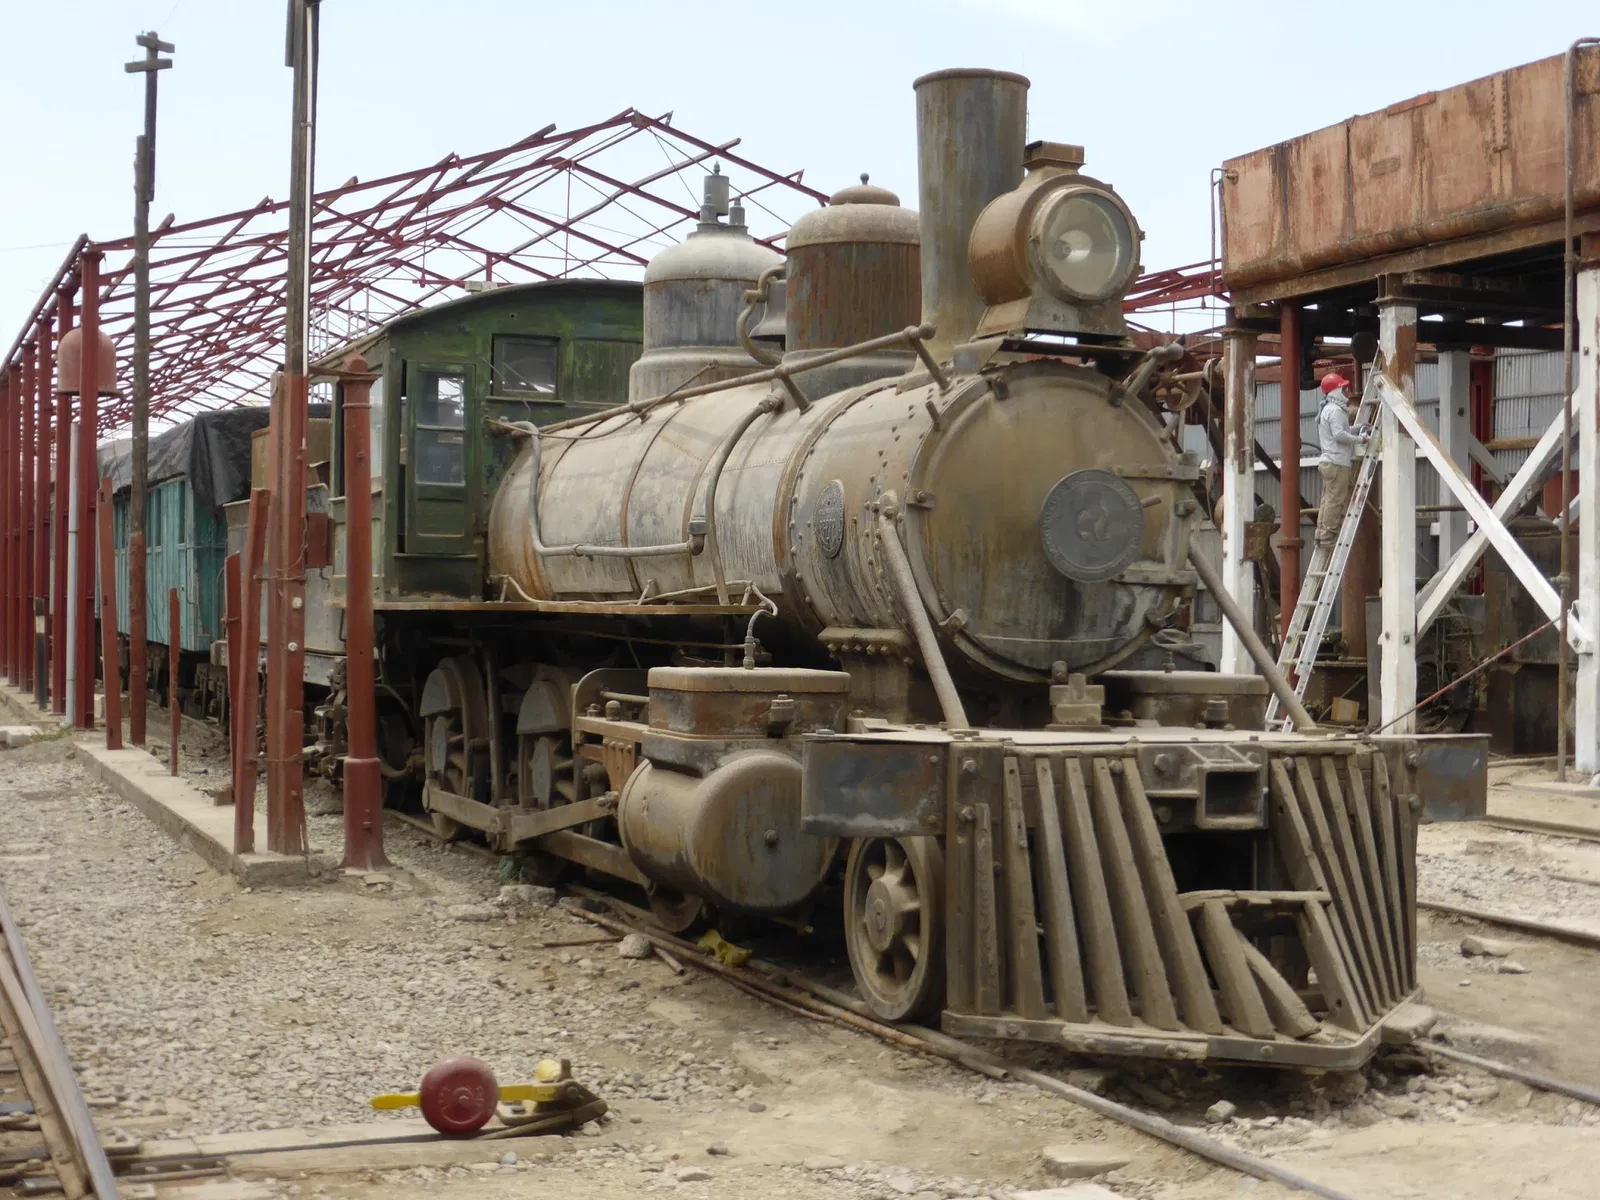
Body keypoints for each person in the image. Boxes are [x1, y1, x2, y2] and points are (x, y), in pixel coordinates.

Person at [1315, 372, 1366, 546]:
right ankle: (1328, 535)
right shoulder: (1335, 410)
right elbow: (1339, 435)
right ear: (1336, 392)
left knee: (1327, 500)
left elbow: (1341, 431)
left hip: (1329, 461)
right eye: (1344, 389)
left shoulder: (1329, 409)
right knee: (1335, 501)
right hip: (1337, 463)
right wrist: (1360, 439)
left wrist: (1357, 428)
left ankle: (1320, 533)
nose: (1347, 392)